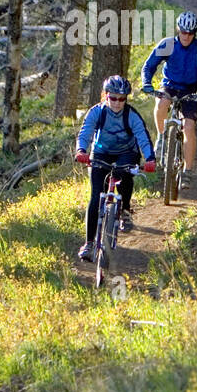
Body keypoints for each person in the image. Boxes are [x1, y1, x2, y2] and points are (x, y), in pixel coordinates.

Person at [74, 74, 156, 263]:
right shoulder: (97, 112)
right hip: (101, 153)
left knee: (125, 174)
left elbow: (142, 137)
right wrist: (81, 150)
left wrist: (150, 158)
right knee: (96, 197)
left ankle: (125, 210)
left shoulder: (131, 115)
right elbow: (85, 132)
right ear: (105, 95)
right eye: (113, 98)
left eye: (122, 99)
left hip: (126, 153)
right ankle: (88, 243)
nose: (118, 103)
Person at [140, 10, 197, 186]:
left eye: (190, 33)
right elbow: (148, 67)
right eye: (183, 32)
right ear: (178, 29)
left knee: (189, 127)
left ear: (195, 32)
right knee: (162, 102)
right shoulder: (167, 44)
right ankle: (161, 136)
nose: (186, 36)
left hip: (190, 89)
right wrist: (147, 84)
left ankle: (187, 171)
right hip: (170, 85)